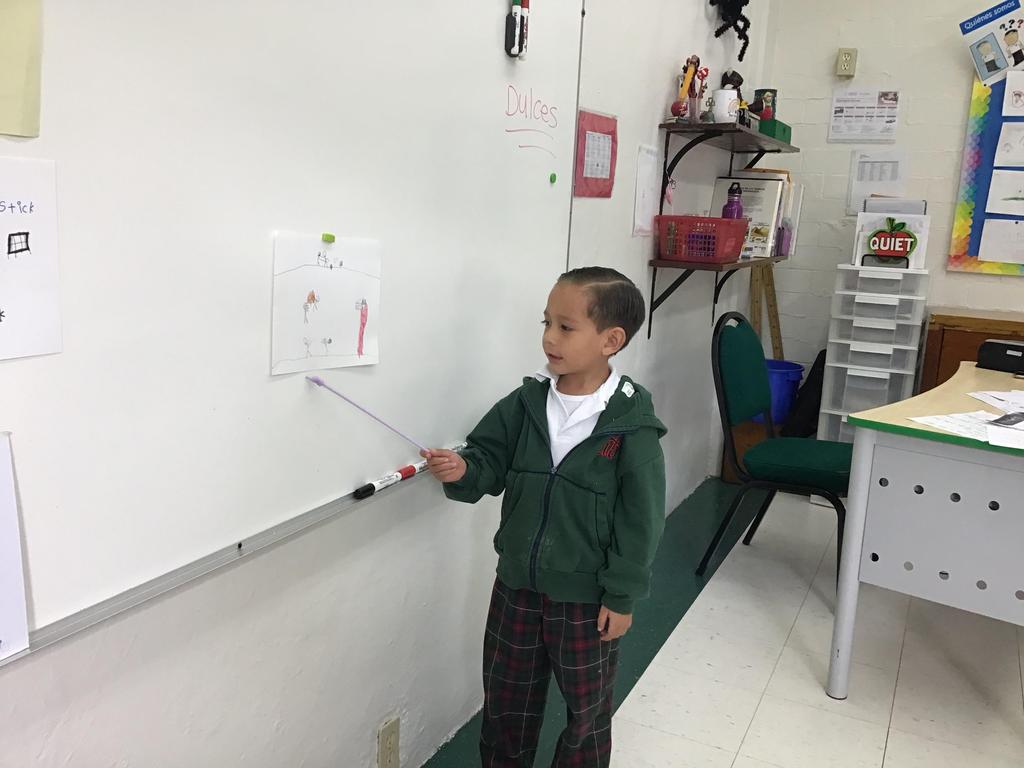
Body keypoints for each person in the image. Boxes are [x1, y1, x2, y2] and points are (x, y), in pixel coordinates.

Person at [421, 267, 667, 767]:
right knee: (505, 707)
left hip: (587, 600)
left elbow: (641, 519)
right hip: (516, 588)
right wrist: (463, 469)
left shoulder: (631, 424)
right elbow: (486, 460)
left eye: (566, 326)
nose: (549, 338)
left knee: (586, 716)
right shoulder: (525, 403)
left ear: (611, 340)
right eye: (546, 322)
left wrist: (621, 596)